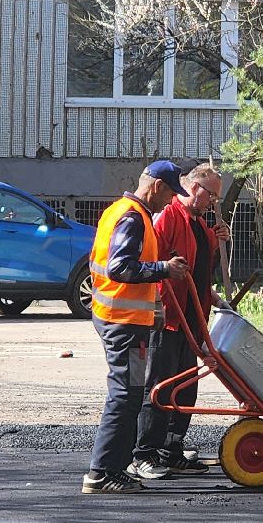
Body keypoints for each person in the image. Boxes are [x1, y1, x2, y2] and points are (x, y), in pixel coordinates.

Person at [82, 161, 192, 494]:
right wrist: (164, 268)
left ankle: (111, 469)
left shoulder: (123, 211)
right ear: (157, 186)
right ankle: (101, 473)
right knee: (124, 395)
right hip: (123, 324)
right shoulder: (132, 217)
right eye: (171, 192)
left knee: (128, 395)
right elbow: (120, 268)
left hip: (122, 320)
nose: (172, 200)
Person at [130, 162, 229, 480]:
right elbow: (152, 261)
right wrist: (159, 299)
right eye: (212, 196)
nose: (214, 203)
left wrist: (217, 241)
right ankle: (143, 454)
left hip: (192, 316)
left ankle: (170, 449)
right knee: (159, 386)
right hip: (169, 318)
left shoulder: (199, 224)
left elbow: (198, 267)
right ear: (197, 189)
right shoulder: (169, 216)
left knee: (185, 389)